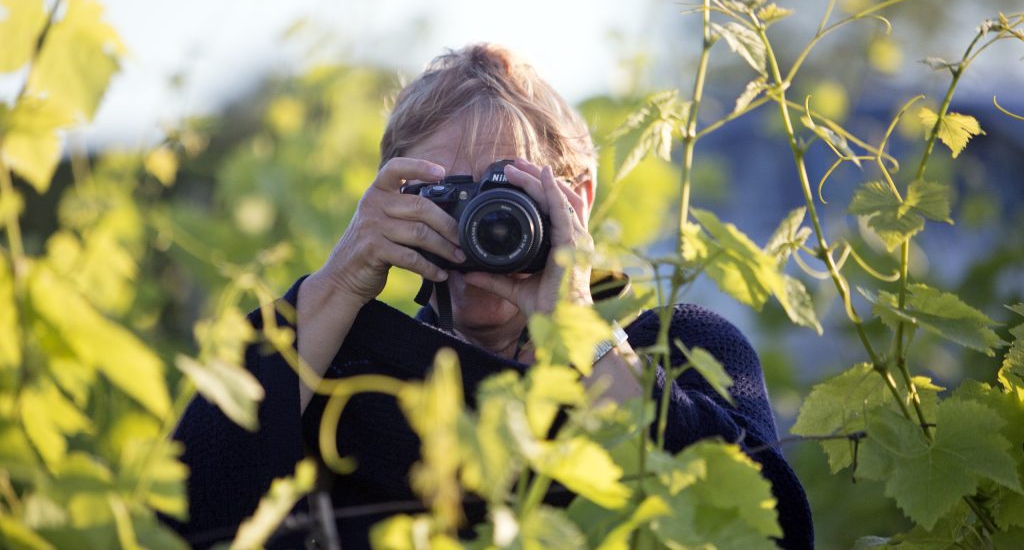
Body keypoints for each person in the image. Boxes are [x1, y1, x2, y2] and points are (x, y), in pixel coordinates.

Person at [168, 43, 814, 549]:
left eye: (507, 196)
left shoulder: (682, 351)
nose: (484, 226)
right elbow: (185, 520)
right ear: (390, 202)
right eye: (446, 197)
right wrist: (337, 284)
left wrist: (581, 335)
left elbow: (776, 531)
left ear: (577, 200)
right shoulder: (342, 369)